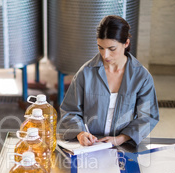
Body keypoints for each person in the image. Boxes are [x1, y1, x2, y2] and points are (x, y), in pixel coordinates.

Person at [60, 15, 159, 147]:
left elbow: (148, 116)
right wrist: (80, 133)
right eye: (100, 47)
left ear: (126, 43)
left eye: (112, 49)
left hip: (124, 144)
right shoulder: (86, 73)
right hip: (89, 146)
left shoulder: (141, 77)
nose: (105, 55)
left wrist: (120, 139)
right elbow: (69, 111)